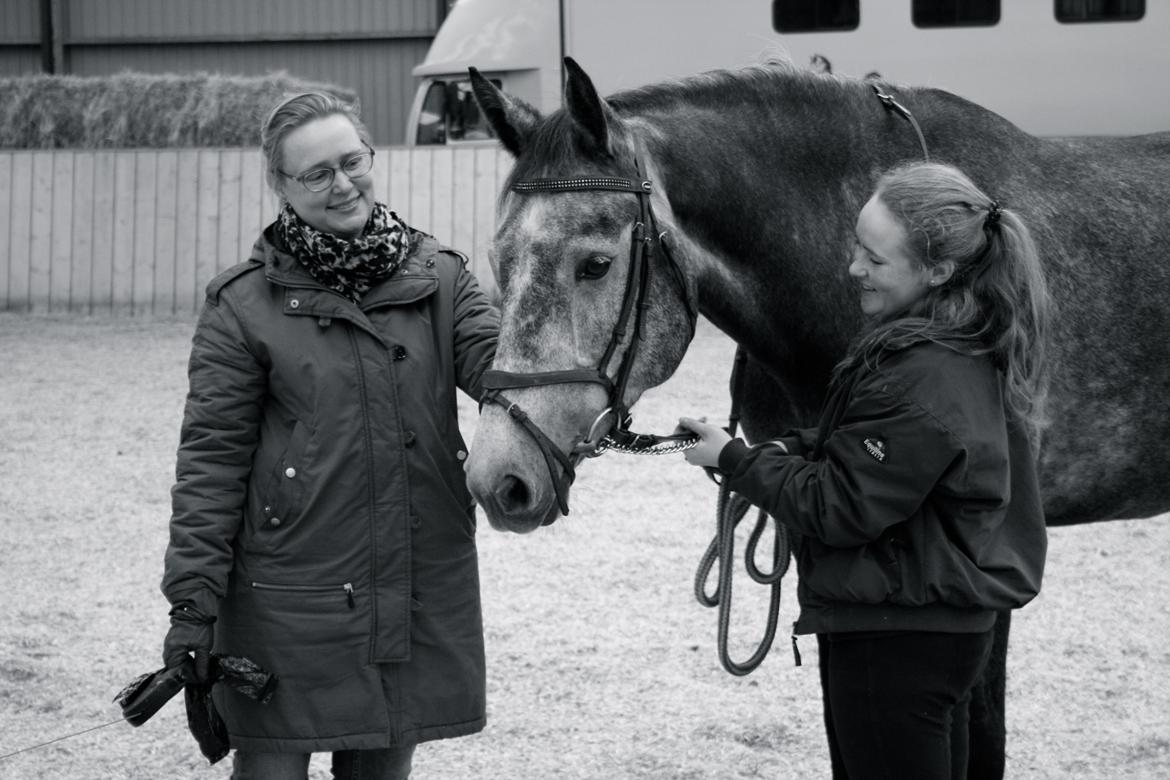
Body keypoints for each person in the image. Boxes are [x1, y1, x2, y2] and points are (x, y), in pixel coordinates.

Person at [160, 91, 499, 779]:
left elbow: (509, 376)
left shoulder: (441, 279)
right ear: (281, 185)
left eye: (352, 161)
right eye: (317, 173)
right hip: (286, 592)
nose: (343, 183)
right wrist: (191, 603)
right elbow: (211, 464)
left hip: (411, 579)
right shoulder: (243, 306)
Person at [678, 161, 1051, 779]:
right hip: (937, 629)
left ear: (937, 270)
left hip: (895, 637)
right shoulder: (959, 345)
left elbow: (840, 507)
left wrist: (737, 462)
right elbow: (881, 452)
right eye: (857, 246)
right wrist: (794, 447)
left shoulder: (918, 375)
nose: (854, 268)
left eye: (876, 260)